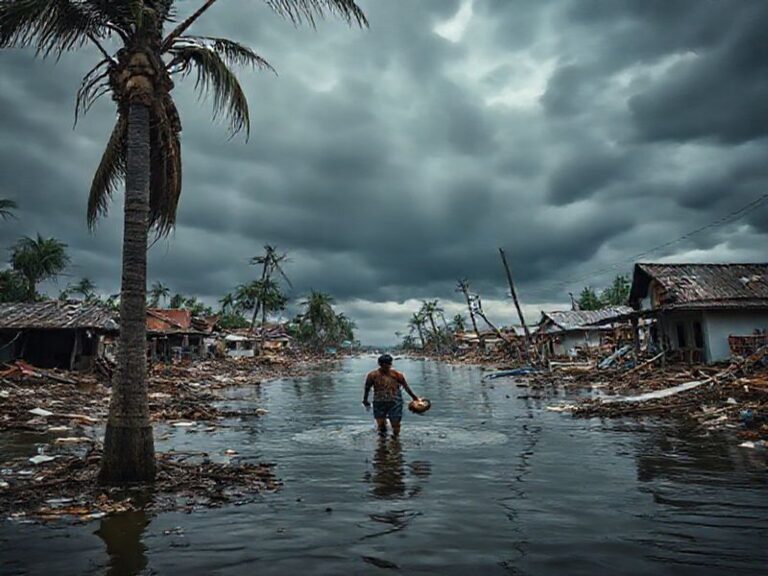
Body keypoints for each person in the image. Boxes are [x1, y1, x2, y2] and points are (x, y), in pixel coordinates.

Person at [363, 354, 419, 438]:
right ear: (379, 364)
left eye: (388, 364)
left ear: (391, 364)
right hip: (379, 401)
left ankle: (395, 441)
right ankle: (382, 442)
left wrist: (414, 398)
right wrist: (365, 400)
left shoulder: (397, 375)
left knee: (396, 425)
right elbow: (367, 388)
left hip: (395, 402)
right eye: (384, 364)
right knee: (381, 426)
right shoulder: (372, 375)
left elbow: (406, 387)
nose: (386, 366)